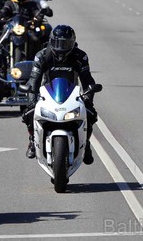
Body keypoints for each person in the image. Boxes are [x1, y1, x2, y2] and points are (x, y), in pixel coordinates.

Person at [24, 25, 98, 165]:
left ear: (73, 42)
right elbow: (34, 80)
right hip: (47, 95)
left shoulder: (80, 56)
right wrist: (32, 101)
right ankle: (32, 141)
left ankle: (86, 143)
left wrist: (88, 99)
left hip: (71, 95)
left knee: (91, 114)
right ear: (51, 41)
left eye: (65, 43)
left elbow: (87, 79)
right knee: (29, 113)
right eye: (58, 42)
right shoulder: (42, 55)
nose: (61, 47)